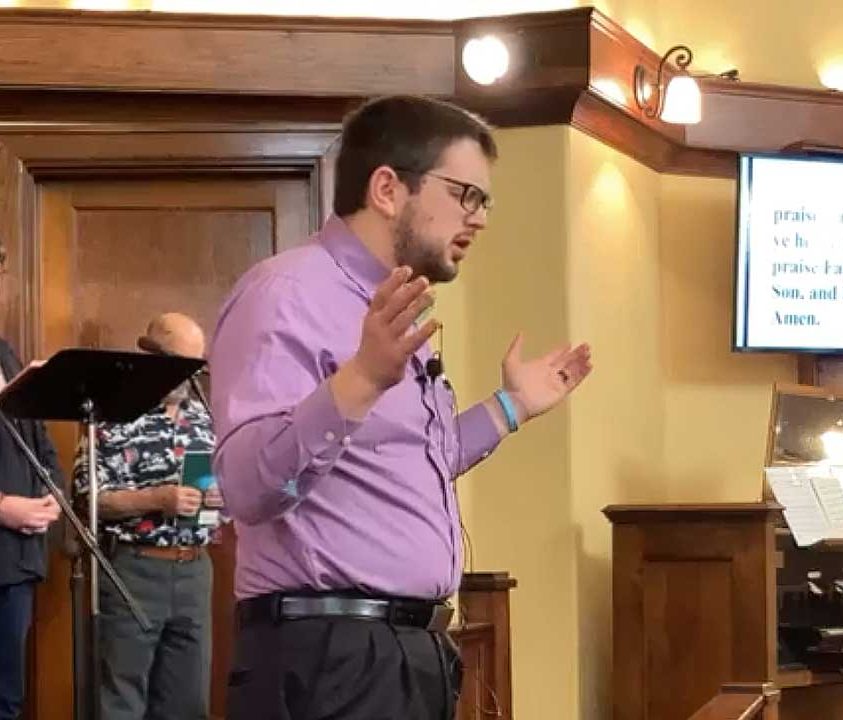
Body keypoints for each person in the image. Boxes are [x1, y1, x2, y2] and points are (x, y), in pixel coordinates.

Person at [211, 94, 593, 720]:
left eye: (485, 202)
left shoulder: (391, 306)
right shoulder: (286, 293)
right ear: (387, 188)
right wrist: (360, 379)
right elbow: (247, 487)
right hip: (328, 658)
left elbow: (406, 460)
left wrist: (510, 407)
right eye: (466, 195)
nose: (480, 219)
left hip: (406, 653)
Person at [73, 312, 219, 720]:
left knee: (188, 703)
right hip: (134, 569)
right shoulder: (113, 416)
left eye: (196, 366)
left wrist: (220, 498)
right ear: (151, 356)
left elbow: (227, 486)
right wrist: (157, 499)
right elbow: (87, 498)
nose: (188, 377)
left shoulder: (206, 417)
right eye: (180, 364)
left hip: (195, 571)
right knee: (121, 699)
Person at [0, 322, 63, 720]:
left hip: (16, 562)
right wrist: (3, 507)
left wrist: (53, 496)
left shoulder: (6, 354)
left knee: (8, 698)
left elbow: (41, 444)